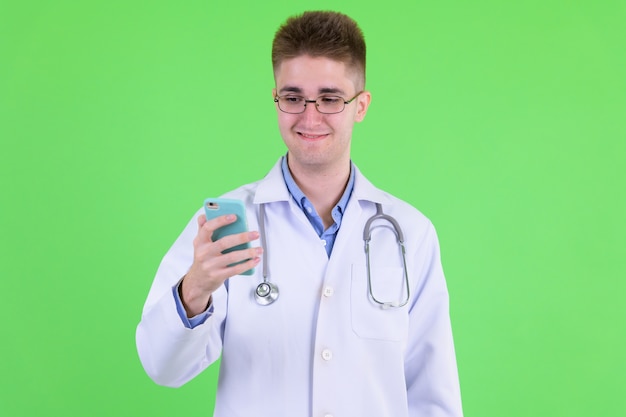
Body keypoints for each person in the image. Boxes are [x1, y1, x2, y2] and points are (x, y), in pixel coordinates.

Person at [136, 10, 463, 417]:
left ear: (360, 106)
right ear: (275, 99)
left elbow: (433, 393)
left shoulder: (410, 234)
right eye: (292, 98)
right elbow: (162, 367)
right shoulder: (225, 227)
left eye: (329, 98)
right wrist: (195, 289)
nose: (310, 117)